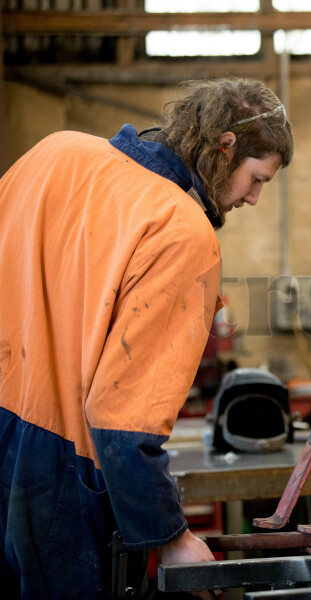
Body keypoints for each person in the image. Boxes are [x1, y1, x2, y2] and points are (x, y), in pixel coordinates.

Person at [0, 77, 293, 598]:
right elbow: (123, 417)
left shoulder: (54, 152)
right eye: (257, 178)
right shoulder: (180, 230)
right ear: (225, 147)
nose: (254, 197)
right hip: (60, 467)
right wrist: (171, 537)